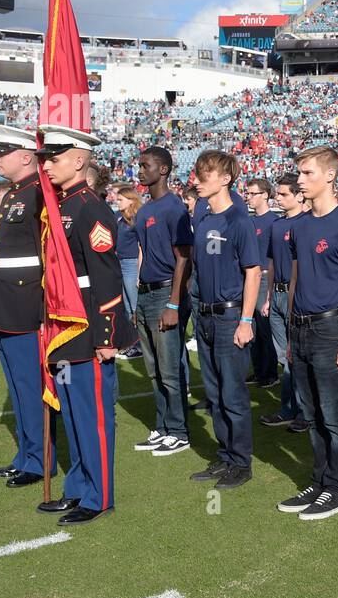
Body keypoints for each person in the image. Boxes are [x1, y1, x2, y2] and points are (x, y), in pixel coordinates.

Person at [35, 126, 137, 524]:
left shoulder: (91, 208)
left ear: (79, 160)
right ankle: (77, 489)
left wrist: (107, 336)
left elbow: (106, 276)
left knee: (92, 417)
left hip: (88, 325)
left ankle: (99, 497)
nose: (48, 166)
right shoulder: (60, 205)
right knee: (74, 416)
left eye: (54, 159)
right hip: (63, 323)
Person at [276, 146, 338, 521]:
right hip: (299, 329)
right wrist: (289, 329)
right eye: (299, 173)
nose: (300, 180)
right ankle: (319, 481)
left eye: (307, 173)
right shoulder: (299, 226)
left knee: (334, 415)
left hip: (331, 329)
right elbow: (296, 278)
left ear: (330, 176)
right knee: (311, 414)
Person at [187, 150, 262, 490]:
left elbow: (253, 272)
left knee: (233, 394)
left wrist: (246, 320)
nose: (197, 180)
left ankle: (241, 462)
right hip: (205, 315)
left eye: (205, 175)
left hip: (231, 316)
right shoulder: (203, 220)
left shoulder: (239, 220)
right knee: (215, 392)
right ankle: (226, 455)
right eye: (198, 174)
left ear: (225, 179)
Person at [0, 125, 51, 489]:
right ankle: (25, 455)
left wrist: (43, 307)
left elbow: (47, 255)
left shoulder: (39, 193)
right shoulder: (15, 194)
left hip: (25, 306)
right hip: (5, 305)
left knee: (28, 387)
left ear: (25, 156)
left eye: (2, 151)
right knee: (16, 384)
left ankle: (40, 460)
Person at [132, 146, 193, 456]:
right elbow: (144, 257)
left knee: (169, 368)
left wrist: (173, 303)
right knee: (153, 369)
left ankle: (179, 430)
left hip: (166, 292)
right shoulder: (143, 211)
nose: (140, 170)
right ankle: (163, 426)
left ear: (164, 169)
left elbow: (184, 258)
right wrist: (137, 300)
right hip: (146, 293)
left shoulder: (174, 208)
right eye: (140, 165)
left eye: (146, 165)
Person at [259, 173, 310, 432]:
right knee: (285, 357)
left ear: (299, 195)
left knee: (296, 356)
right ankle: (289, 408)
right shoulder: (276, 225)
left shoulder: (307, 223)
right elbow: (270, 262)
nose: (277, 198)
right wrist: (269, 297)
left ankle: (303, 411)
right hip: (277, 294)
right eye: (277, 194)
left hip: (297, 295)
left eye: (283, 194)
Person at [245, 178, 279, 387]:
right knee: (253, 329)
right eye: (247, 194)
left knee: (266, 329)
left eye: (252, 193)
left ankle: (270, 373)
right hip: (251, 278)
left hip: (265, 277)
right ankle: (259, 371)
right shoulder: (249, 221)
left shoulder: (273, 221)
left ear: (265, 195)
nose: (248, 197)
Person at [112, 185, 142, 359]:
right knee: (126, 307)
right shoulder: (117, 217)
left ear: (131, 200)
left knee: (135, 306)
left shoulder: (137, 218)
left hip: (131, 264)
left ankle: (140, 344)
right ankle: (133, 342)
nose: (117, 201)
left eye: (121, 199)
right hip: (120, 263)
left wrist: (139, 272)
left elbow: (141, 247)